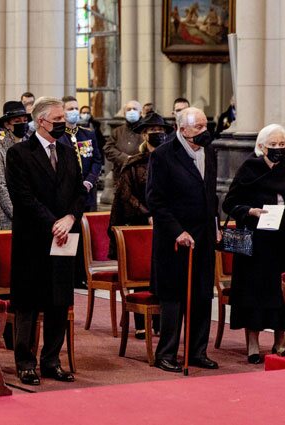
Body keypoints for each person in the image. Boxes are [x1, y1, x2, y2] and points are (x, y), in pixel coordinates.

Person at [6, 97, 86, 386]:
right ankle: (25, 362)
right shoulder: (19, 154)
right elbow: (23, 198)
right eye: (58, 119)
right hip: (33, 238)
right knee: (28, 304)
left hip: (64, 237)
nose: (63, 123)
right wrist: (54, 223)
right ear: (41, 121)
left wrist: (70, 219)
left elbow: (80, 192)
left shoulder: (67, 152)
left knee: (58, 302)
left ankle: (51, 360)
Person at [222, 124, 285, 364]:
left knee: (282, 293)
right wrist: (250, 211)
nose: (279, 149)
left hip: (284, 244)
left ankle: (280, 340)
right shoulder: (250, 170)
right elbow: (229, 203)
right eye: (274, 145)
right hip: (256, 245)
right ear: (262, 147)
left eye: (282, 144)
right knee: (255, 292)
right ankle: (252, 342)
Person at [146, 106, 219, 373]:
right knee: (174, 297)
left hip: (204, 236)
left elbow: (211, 195)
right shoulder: (164, 156)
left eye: (205, 125)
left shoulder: (209, 152)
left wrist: (215, 225)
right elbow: (155, 201)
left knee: (201, 294)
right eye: (198, 128)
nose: (204, 131)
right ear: (182, 130)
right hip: (174, 238)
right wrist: (178, 231)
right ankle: (166, 353)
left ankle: (197, 351)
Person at [108, 113, 172, 338]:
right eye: (152, 130)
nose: (157, 134)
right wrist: (147, 215)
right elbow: (126, 195)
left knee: (164, 273)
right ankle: (142, 323)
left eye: (160, 130)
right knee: (142, 272)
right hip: (140, 223)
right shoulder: (134, 163)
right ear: (144, 134)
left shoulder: (171, 161)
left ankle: (162, 322)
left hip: (167, 224)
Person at [0, 101, 30, 230]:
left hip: (35, 214)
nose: (22, 124)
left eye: (24, 120)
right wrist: (18, 214)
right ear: (7, 124)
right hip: (9, 217)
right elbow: (0, 187)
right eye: (17, 121)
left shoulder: (32, 147)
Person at [59, 96, 103, 212]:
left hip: (88, 192)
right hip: (67, 194)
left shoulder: (88, 134)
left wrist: (89, 180)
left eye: (76, 108)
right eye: (70, 109)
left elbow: (97, 160)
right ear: (62, 112)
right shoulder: (57, 137)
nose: (74, 111)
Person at [105, 100, 142, 185]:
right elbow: (108, 149)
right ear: (124, 114)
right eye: (129, 109)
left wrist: (135, 159)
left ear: (140, 113)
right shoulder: (117, 132)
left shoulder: (145, 131)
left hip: (141, 176)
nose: (131, 111)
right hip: (121, 175)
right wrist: (124, 158)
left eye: (134, 109)